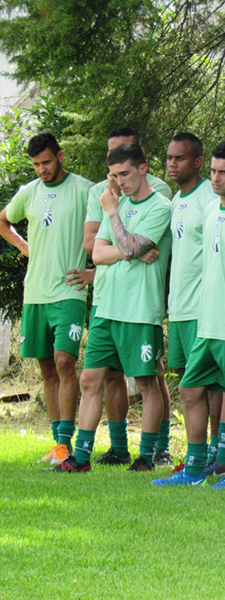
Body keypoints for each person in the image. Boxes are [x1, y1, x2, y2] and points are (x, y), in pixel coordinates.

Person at [53, 143, 172, 472]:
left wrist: (116, 221)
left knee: (146, 382)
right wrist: (129, 248)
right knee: (89, 380)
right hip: (105, 307)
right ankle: (81, 457)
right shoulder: (116, 205)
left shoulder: (159, 207)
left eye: (125, 174)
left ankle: (145, 456)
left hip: (139, 309)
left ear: (143, 169)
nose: (120, 182)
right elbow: (98, 254)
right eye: (115, 176)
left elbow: (127, 248)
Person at [153, 142, 225, 487]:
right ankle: (195, 468)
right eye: (213, 171)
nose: (216, 178)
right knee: (189, 389)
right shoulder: (211, 209)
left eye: (224, 172)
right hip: (208, 320)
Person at [0, 132, 93, 465]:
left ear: (60, 156)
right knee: (46, 367)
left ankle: (67, 442)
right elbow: (3, 220)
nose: (42, 169)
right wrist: (24, 247)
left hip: (69, 290)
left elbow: (109, 226)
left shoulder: (84, 189)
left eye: (47, 162)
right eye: (37, 164)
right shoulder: (29, 193)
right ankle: (57, 445)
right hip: (35, 293)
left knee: (65, 361)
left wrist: (94, 271)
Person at [161, 133, 223, 473]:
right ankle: (200, 452)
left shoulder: (208, 197)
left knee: (208, 385)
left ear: (198, 162)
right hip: (179, 309)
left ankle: (217, 453)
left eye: (179, 158)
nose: (172, 164)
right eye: (169, 158)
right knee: (188, 382)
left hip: (203, 308)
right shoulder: (176, 199)